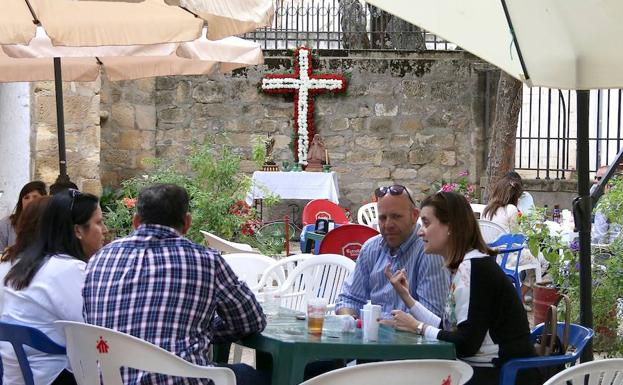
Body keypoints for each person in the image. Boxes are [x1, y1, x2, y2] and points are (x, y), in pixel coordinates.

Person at [82, 184, 268, 385]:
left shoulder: (99, 259)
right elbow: (251, 321)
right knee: (253, 376)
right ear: (187, 222)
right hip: (180, 380)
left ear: (136, 222)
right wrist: (203, 330)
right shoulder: (206, 261)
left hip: (112, 380)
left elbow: (91, 320)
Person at [380, 192, 541, 385]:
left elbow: (466, 345)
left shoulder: (473, 268)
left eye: (426, 223)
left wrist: (418, 327)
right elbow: (450, 330)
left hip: (499, 374)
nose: (420, 231)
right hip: (485, 369)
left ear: (451, 227)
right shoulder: (468, 265)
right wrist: (408, 299)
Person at [0, 189, 106, 385]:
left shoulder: (16, 264)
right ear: (77, 231)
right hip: (51, 377)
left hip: (14, 376)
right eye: (98, 222)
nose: (105, 230)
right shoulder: (69, 269)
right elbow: (91, 334)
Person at [335, 184, 449, 319]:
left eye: (396, 217)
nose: (388, 224)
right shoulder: (371, 248)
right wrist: (348, 319)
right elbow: (349, 299)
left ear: (414, 215)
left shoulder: (429, 251)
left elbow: (433, 317)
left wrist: (382, 323)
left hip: (412, 339)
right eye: (383, 218)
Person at [0, 181, 47, 251]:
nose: (31, 201)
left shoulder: (50, 223)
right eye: (26, 197)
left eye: (35, 197)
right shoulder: (6, 223)